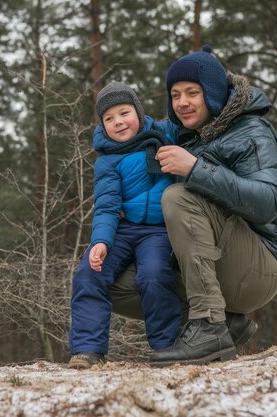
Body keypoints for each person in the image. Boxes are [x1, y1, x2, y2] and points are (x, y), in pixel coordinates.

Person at [143, 45, 277, 366]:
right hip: (223, 267)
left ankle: (209, 326)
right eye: (175, 94)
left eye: (192, 92)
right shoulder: (190, 135)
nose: (182, 102)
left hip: (261, 266)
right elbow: (134, 130)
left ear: (212, 93)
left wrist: (195, 169)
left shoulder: (252, 132)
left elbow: (267, 203)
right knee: (119, 280)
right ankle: (225, 324)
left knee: (179, 197)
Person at [68, 81, 182, 369]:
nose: (118, 122)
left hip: (159, 230)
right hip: (123, 229)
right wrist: (101, 242)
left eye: (124, 113)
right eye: (109, 118)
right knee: (89, 273)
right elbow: (106, 205)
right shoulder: (107, 160)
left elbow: (189, 116)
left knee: (154, 275)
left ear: (139, 112)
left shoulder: (164, 133)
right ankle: (88, 349)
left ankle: (166, 347)